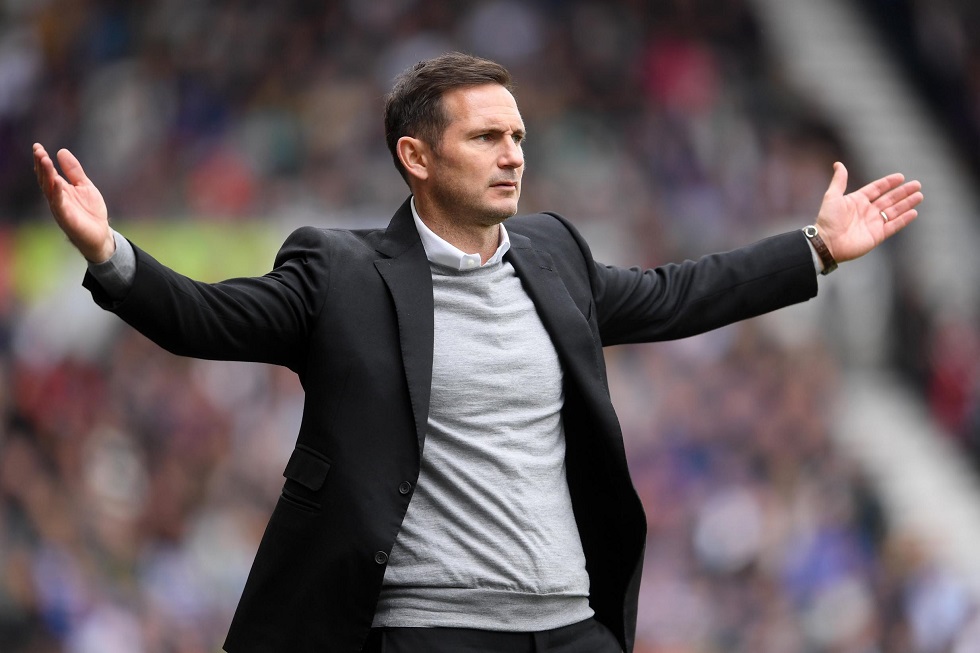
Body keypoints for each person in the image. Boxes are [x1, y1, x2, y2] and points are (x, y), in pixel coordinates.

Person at [33, 52, 922, 653]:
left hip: (569, 622)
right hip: (434, 629)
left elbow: (677, 293)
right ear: (416, 157)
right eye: (486, 138)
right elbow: (203, 319)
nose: (513, 156)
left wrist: (814, 248)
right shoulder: (341, 273)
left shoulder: (553, 254)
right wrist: (110, 252)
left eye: (518, 137)